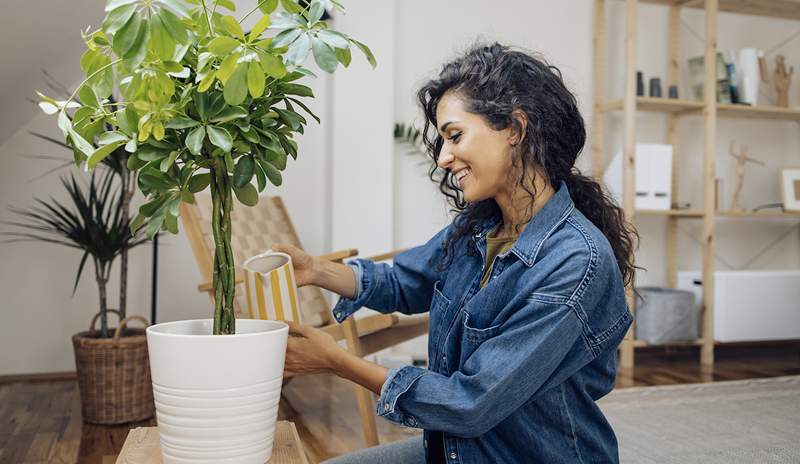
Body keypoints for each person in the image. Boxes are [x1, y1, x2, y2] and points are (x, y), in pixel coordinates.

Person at [272, 42, 636, 464]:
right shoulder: (478, 229)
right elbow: (404, 281)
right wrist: (315, 269)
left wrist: (335, 361)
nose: (443, 158)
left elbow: (469, 403)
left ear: (515, 129)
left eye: (455, 136)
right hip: (458, 452)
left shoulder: (576, 262)